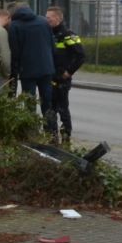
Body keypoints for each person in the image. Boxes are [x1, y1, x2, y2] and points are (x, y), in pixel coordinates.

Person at [8, 4, 56, 119]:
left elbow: (15, 51)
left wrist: (15, 71)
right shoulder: (43, 22)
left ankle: (31, 129)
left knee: (29, 103)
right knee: (47, 103)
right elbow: (52, 45)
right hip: (46, 68)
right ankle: (51, 129)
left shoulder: (14, 25)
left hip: (27, 71)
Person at [47, 7, 85, 142]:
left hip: (62, 80)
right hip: (50, 77)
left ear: (57, 18)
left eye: (49, 17)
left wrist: (69, 72)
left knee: (62, 108)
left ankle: (66, 136)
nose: (47, 20)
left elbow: (80, 56)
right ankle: (52, 136)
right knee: (50, 109)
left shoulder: (68, 35)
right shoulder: (48, 34)